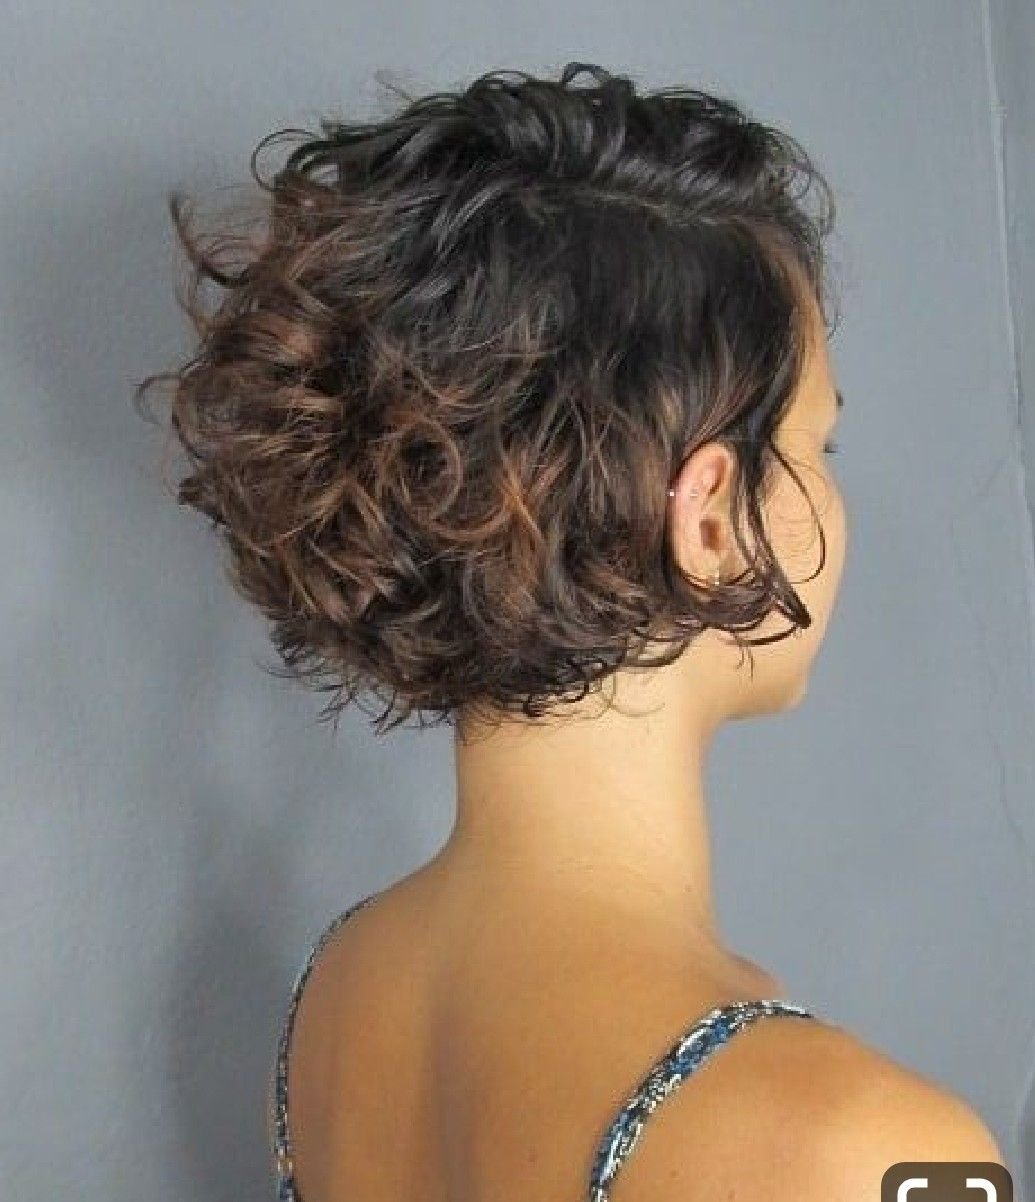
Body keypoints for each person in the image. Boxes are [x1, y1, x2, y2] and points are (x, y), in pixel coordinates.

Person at [135, 61, 1008, 1202]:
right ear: (710, 519)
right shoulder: (866, 1147)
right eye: (817, 445)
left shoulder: (339, 994)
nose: (837, 499)